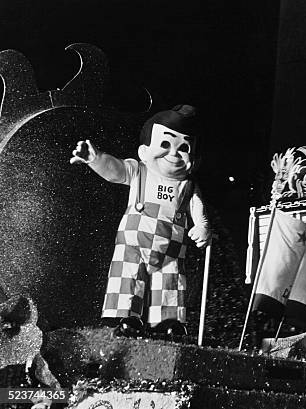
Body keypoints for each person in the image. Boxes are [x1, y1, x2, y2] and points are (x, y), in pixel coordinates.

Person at [70, 105, 210, 336]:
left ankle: (169, 322)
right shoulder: (139, 171)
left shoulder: (188, 186)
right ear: (143, 151)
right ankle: (124, 318)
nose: (173, 153)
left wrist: (203, 226)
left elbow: (198, 208)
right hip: (134, 244)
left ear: (194, 159)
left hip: (171, 249)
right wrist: (96, 159)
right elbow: (115, 170)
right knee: (127, 276)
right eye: (165, 144)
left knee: (171, 282)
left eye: (183, 148)